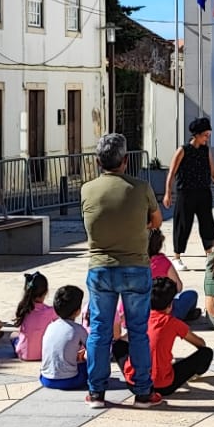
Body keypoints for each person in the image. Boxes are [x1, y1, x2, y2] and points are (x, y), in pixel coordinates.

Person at [78, 134, 164, 410]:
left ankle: (96, 393)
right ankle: (142, 392)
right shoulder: (141, 188)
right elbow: (157, 221)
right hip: (136, 266)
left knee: (99, 331)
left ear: (96, 161)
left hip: (101, 267)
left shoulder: (87, 189)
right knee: (138, 330)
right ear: (126, 161)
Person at [120, 278, 214, 397]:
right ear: (170, 305)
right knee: (206, 353)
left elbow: (125, 339)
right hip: (163, 386)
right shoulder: (173, 322)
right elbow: (200, 344)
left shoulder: (140, 318)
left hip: (134, 383)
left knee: (119, 345)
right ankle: (195, 373)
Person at [163, 116, 214, 258]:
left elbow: (213, 172)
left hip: (203, 191)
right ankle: (177, 256)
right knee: (183, 224)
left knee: (207, 222)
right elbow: (172, 172)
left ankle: (209, 253)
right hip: (186, 192)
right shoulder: (183, 150)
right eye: (205, 135)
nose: (207, 138)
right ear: (197, 135)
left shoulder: (205, 150)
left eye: (208, 135)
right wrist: (168, 192)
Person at [38, 285, 90, 390]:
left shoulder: (50, 326)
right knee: (87, 366)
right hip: (70, 381)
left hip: (45, 379)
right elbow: (92, 349)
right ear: (77, 311)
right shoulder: (78, 329)